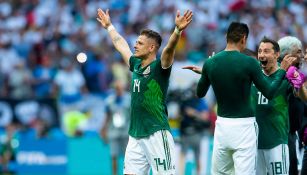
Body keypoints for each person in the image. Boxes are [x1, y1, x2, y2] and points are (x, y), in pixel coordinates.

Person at [184, 22, 294, 174]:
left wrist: (207, 73)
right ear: (244, 38)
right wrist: (282, 71)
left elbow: (200, 93)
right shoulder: (250, 63)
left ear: (226, 37)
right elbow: (269, 92)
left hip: (222, 126)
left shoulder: (211, 62)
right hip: (244, 127)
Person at [96, 8, 193, 174]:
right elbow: (121, 44)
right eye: (136, 42)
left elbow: (169, 50)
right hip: (135, 135)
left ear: (151, 48)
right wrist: (109, 26)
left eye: (140, 43)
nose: (135, 45)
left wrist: (177, 31)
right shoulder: (136, 65)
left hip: (156, 133)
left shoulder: (159, 68)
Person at [253, 37, 307, 175]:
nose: (301, 56)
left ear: (277, 54)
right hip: (256, 141)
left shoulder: (291, 74)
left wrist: (299, 85)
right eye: (260, 51)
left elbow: (303, 96)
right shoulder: (255, 73)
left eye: (266, 51)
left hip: (283, 137)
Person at [278, 36, 307, 175]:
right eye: (299, 52)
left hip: (293, 134)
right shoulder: (278, 75)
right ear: (286, 55)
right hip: (282, 135)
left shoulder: (297, 74)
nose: (302, 56)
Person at [100, 80, 130, 175]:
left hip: (126, 131)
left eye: (119, 88)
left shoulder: (129, 99)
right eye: (116, 88)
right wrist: (103, 130)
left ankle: (128, 173)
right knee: (113, 156)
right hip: (113, 132)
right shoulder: (109, 101)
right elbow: (107, 117)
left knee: (129, 157)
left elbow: (133, 115)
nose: (118, 90)